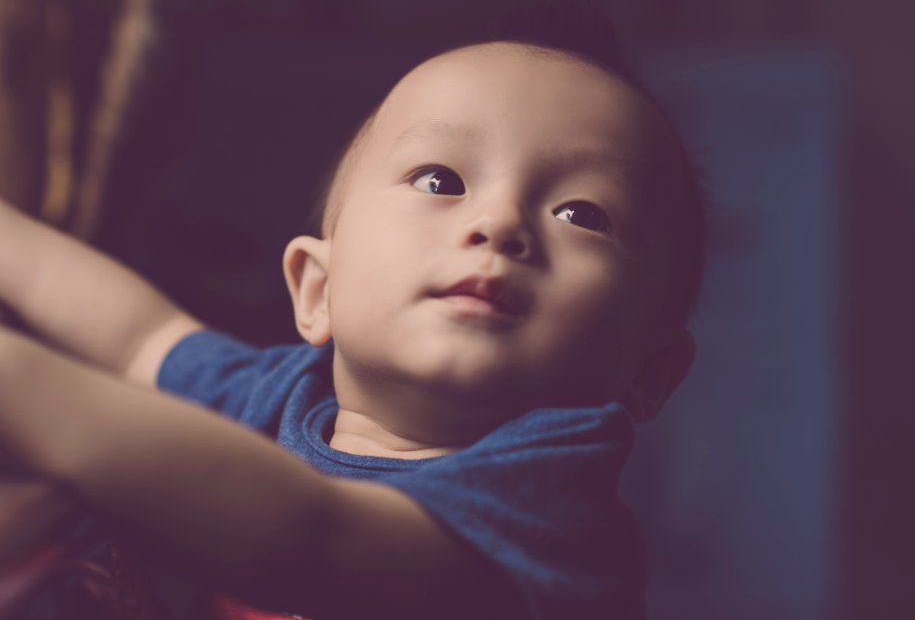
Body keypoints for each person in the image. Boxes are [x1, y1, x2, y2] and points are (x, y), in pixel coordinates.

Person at [0, 33, 704, 620]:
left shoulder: (555, 502)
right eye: (440, 181)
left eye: (582, 214)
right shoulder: (281, 395)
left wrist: (21, 379)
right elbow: (138, 336)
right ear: (318, 289)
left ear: (648, 370)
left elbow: (310, 538)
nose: (498, 224)